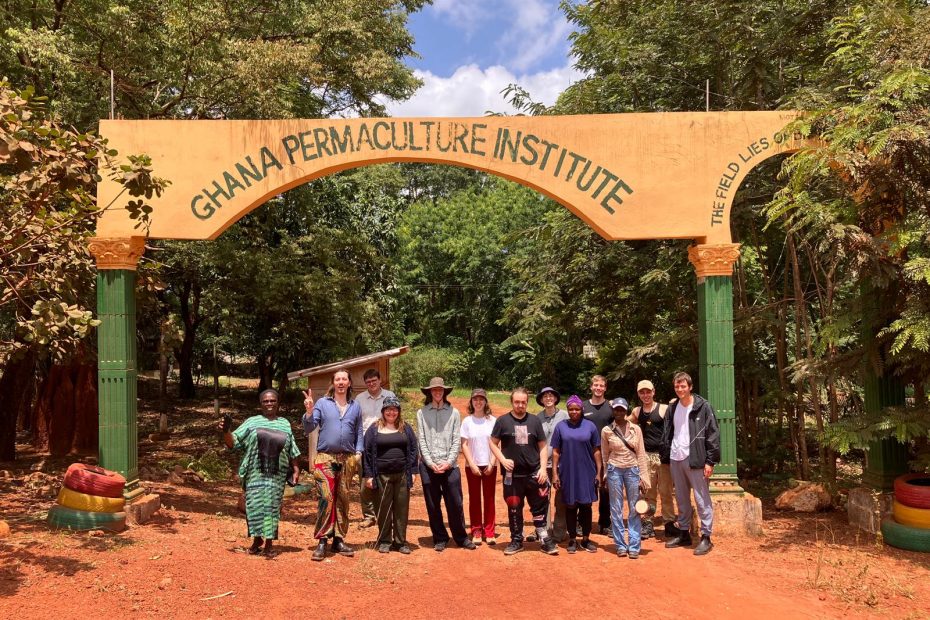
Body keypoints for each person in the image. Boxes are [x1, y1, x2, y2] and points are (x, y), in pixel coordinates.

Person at [221, 389, 301, 557]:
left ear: (277, 403)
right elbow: (233, 442)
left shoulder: (284, 423)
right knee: (254, 506)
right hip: (255, 472)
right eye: (265, 401)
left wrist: (296, 468)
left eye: (272, 400)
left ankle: (269, 544)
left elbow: (292, 448)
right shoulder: (252, 422)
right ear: (261, 404)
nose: (269, 403)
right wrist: (226, 431)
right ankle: (257, 540)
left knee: (272, 507)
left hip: (276, 474)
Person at [302, 369, 363, 561]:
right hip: (325, 458)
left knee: (343, 499)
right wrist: (309, 412)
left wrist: (359, 452)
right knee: (326, 498)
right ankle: (322, 540)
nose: (341, 382)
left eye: (345, 379)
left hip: (347, 459)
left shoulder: (355, 406)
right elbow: (309, 427)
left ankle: (338, 539)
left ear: (349, 383)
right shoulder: (322, 403)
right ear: (333, 383)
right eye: (338, 379)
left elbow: (359, 431)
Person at [489, 387, 557, 556]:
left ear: (527, 402)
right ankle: (516, 540)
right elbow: (492, 442)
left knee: (539, 508)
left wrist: (542, 468)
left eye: (523, 402)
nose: (520, 405)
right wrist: (502, 460)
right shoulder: (502, 421)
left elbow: (543, 446)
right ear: (512, 402)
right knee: (514, 508)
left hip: (534, 473)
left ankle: (543, 539)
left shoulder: (534, 421)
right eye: (517, 402)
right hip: (512, 477)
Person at [661, 371, 720, 556]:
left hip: (696, 458)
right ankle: (684, 532)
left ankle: (706, 536)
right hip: (676, 457)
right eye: (677, 386)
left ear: (690, 387)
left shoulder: (703, 407)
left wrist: (710, 460)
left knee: (702, 499)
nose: (680, 389)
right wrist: (667, 453)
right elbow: (669, 432)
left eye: (683, 386)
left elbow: (713, 434)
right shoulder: (673, 407)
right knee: (681, 498)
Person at [416, 377, 477, 552]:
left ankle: (461, 537)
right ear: (429, 392)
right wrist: (430, 462)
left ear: (444, 392)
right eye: (434, 390)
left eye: (440, 390)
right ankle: (440, 537)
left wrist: (448, 462)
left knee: (455, 503)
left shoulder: (454, 413)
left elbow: (456, 440)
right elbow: (422, 441)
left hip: (450, 466)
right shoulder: (422, 413)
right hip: (429, 466)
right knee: (433, 504)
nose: (437, 392)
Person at [362, 395, 418, 554]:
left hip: (402, 475)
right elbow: (367, 453)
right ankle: (385, 540)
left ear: (398, 411)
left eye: (394, 409)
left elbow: (414, 449)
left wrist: (413, 471)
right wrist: (369, 475)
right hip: (382, 475)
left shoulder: (405, 427)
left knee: (401, 509)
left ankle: (400, 542)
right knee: (383, 508)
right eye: (388, 409)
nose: (391, 412)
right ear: (383, 411)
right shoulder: (374, 429)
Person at [550, 394, 601, 554]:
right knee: (570, 506)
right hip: (568, 472)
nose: (574, 412)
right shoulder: (561, 427)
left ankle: (585, 539)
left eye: (577, 409)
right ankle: (572, 538)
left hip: (587, 471)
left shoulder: (590, 426)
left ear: (582, 409)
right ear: (567, 410)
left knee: (586, 506)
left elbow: (596, 450)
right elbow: (556, 452)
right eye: (571, 409)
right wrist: (555, 474)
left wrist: (599, 472)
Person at [602, 397, 650, 559]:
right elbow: (605, 454)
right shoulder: (606, 431)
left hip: (633, 470)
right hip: (614, 470)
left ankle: (634, 545)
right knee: (615, 509)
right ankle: (621, 545)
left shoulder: (636, 429)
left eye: (622, 409)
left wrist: (644, 477)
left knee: (635, 508)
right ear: (613, 411)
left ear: (626, 411)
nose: (619, 412)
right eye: (616, 409)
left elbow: (641, 453)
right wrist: (606, 473)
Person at [631, 379, 675, 539]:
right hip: (645, 456)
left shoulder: (663, 409)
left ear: (653, 392)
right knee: (648, 492)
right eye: (642, 392)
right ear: (638, 394)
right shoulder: (637, 412)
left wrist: (675, 402)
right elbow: (624, 423)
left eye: (648, 391)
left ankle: (669, 522)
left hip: (663, 456)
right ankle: (648, 523)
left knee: (666, 491)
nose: (645, 395)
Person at [356, 368, 396, 529]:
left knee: (385, 480)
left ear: (380, 380)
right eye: (368, 382)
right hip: (365, 445)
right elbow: (356, 423)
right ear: (365, 384)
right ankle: (369, 515)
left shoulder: (390, 396)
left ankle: (385, 513)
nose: (372, 384)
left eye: (374, 380)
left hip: (385, 444)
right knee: (365, 481)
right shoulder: (359, 399)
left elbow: (397, 417)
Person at [460, 388, 498, 546]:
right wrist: (472, 464)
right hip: (472, 466)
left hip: (490, 464)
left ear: (486, 401)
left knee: (489, 499)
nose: (478, 402)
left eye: (481, 399)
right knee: (474, 499)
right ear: (471, 401)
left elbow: (497, 444)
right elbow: (464, 445)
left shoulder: (493, 421)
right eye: (475, 399)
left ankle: (489, 531)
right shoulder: (467, 421)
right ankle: (476, 529)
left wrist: (492, 462)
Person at [535, 386, 568, 543]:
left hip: (561, 464)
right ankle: (545, 531)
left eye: (551, 396)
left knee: (561, 499)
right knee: (543, 499)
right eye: (545, 396)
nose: (548, 398)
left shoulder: (565, 416)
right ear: (541, 400)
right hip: (542, 464)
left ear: (555, 399)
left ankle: (560, 531)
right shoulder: (536, 418)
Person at [582, 374, 614, 534]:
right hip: (586, 454)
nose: (598, 388)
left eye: (601, 385)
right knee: (586, 487)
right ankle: (582, 522)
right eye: (596, 385)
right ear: (591, 387)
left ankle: (605, 522)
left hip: (606, 454)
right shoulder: (583, 407)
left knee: (605, 489)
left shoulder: (612, 407)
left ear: (605, 388)